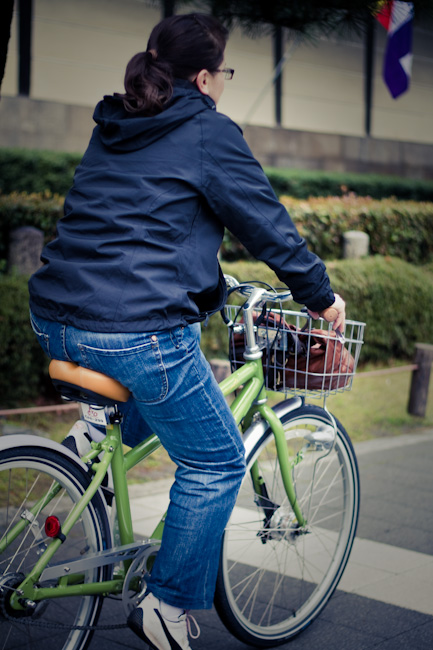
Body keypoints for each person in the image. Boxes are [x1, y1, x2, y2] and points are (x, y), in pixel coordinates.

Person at [28, 12, 345, 650]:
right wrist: (320, 296)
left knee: (159, 391)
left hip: (56, 318)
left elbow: (136, 224)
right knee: (216, 458)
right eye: (223, 72)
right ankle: (167, 605)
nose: (223, 83)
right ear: (204, 76)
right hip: (130, 333)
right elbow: (265, 221)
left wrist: (213, 279)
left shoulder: (114, 123)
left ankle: (94, 434)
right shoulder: (207, 128)